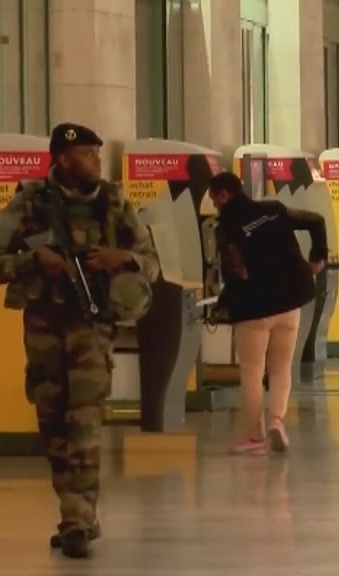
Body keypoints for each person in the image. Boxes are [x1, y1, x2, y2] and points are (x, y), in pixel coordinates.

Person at [0, 123, 160, 558]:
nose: (95, 162)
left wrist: (120, 258)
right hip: (45, 324)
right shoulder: (31, 202)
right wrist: (36, 258)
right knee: (53, 422)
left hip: (92, 326)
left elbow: (151, 262)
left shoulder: (113, 202)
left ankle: (78, 518)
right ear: (63, 159)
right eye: (87, 155)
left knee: (85, 418)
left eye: (96, 154)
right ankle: (73, 509)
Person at [209, 171, 328, 455]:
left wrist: (222, 304)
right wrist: (317, 257)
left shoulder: (226, 226)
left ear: (223, 195)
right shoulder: (274, 210)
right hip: (290, 301)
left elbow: (236, 270)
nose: (215, 207)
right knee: (281, 367)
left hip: (255, 306)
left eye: (215, 202)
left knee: (252, 371)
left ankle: (255, 436)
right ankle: (276, 419)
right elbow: (316, 221)